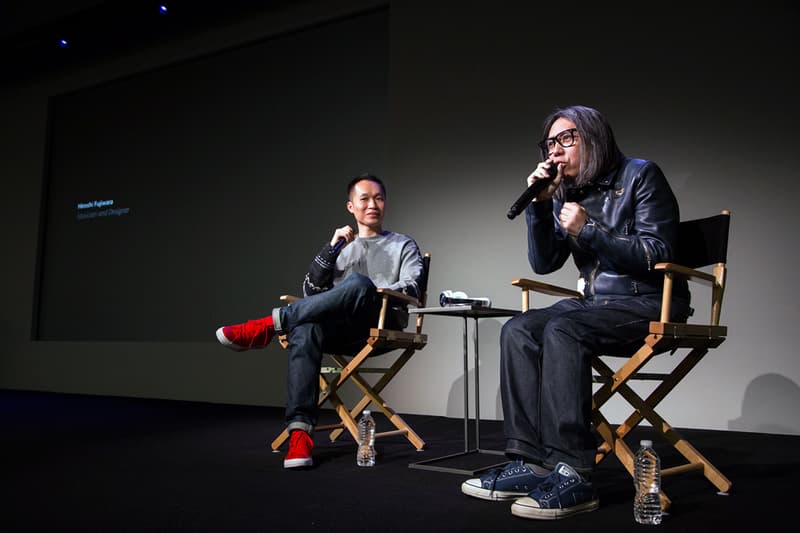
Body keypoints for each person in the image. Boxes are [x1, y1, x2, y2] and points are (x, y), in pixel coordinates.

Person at [461, 105, 690, 520]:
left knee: (564, 328)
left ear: (594, 138)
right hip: (596, 305)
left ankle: (576, 473)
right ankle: (531, 463)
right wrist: (538, 206)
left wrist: (589, 231)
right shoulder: (567, 191)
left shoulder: (641, 175)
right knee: (518, 329)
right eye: (550, 143)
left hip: (650, 300)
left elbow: (659, 254)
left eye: (566, 139)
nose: (555, 152)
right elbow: (544, 263)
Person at [216, 174, 425, 469]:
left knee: (358, 285)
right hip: (342, 330)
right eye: (364, 198)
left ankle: (267, 326)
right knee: (306, 326)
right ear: (350, 206)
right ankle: (300, 434)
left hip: (383, 324)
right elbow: (311, 294)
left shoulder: (403, 244)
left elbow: (413, 289)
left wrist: (371, 291)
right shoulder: (341, 247)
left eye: (378, 198)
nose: (372, 204)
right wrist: (331, 248)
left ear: (385, 204)